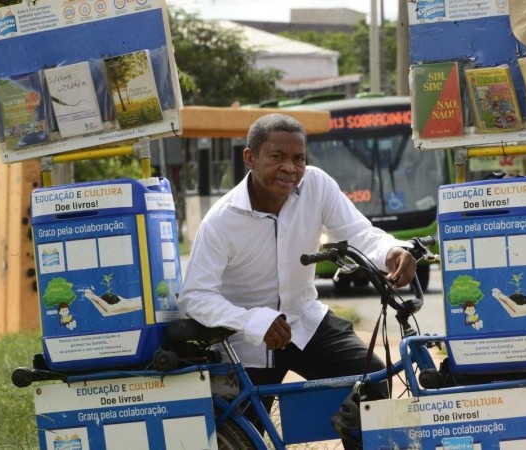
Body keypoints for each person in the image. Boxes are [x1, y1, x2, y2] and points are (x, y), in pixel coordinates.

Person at [178, 113, 416, 445]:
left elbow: (359, 234)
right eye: (277, 156)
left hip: (305, 322)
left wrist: (392, 250)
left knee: (374, 379)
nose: (290, 168)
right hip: (247, 341)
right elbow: (196, 295)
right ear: (250, 158)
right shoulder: (221, 221)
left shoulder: (317, 185)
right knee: (240, 439)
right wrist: (253, 321)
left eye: (299, 158)